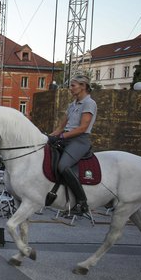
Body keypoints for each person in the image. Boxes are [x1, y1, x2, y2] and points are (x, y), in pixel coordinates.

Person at [48, 75, 97, 216]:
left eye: (73, 85)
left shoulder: (89, 103)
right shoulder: (72, 105)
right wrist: (48, 138)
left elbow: (82, 128)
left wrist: (61, 136)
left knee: (63, 166)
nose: (70, 88)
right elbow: (61, 128)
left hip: (80, 140)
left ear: (83, 86)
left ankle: (82, 203)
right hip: (66, 138)